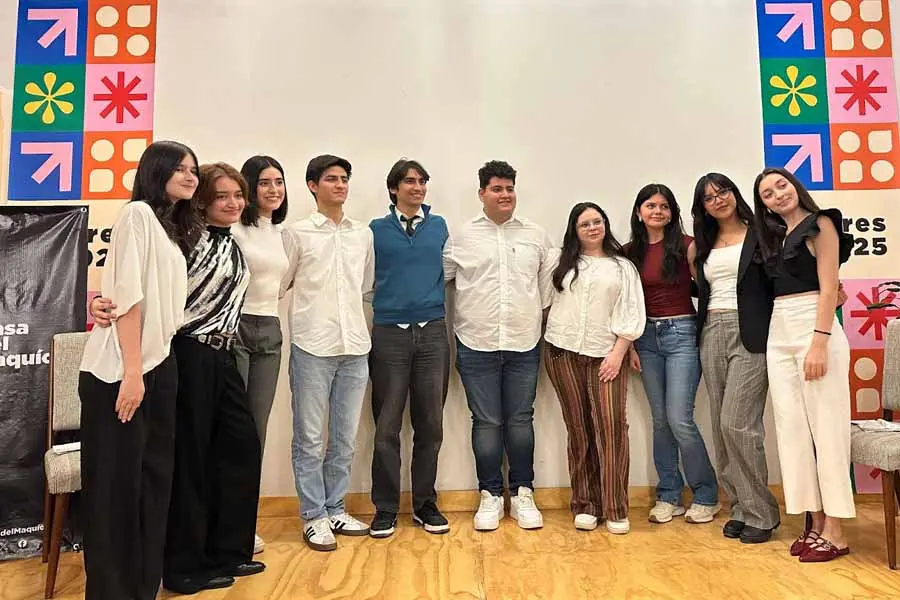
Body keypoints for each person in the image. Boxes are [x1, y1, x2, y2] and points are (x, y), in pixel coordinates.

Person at [90, 162, 266, 593]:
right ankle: (185, 565)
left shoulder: (233, 243)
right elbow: (136, 283)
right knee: (190, 459)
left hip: (223, 354)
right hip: (187, 351)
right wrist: (100, 304)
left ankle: (227, 549)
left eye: (238, 195)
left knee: (238, 450)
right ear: (202, 199)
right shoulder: (183, 237)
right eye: (222, 195)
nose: (234, 203)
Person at [78, 140, 198, 600]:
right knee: (116, 494)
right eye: (181, 169)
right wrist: (132, 374)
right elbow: (128, 297)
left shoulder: (168, 227)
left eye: (193, 170)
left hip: (160, 365)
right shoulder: (136, 216)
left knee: (153, 487)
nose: (190, 176)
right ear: (157, 171)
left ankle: (142, 588)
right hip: (120, 372)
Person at [443, 160, 553, 531]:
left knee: (521, 420)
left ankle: (524, 492)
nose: (504, 195)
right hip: (476, 343)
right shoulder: (459, 236)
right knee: (486, 422)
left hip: (524, 343)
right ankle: (489, 494)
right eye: (496, 189)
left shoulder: (536, 235)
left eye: (509, 188)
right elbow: (442, 283)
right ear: (482, 194)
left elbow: (546, 291)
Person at [753, 166, 855, 562]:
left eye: (782, 185)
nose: (778, 194)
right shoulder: (773, 238)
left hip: (815, 329)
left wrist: (819, 343)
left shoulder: (821, 224)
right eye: (767, 193)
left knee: (826, 429)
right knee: (791, 428)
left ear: (795, 187)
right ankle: (814, 520)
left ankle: (837, 530)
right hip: (779, 332)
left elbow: (829, 288)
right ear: (763, 205)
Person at [282, 154, 374, 551]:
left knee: (344, 437)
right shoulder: (297, 233)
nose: (340, 185)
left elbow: (365, 284)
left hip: (355, 345)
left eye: (344, 179)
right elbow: (282, 283)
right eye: (331, 179)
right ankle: (313, 515)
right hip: (312, 345)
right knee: (309, 436)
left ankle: (336, 507)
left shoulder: (362, 234)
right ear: (312, 186)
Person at [690, 173, 781, 543]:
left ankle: (762, 511)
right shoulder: (703, 244)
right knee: (720, 424)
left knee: (738, 423)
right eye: (708, 197)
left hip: (752, 331)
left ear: (734, 193)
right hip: (712, 330)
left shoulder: (763, 231)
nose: (718, 200)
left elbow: (786, 276)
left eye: (722, 191)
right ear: (703, 207)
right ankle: (741, 507)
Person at [543, 202, 645, 534]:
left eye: (597, 221)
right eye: (584, 223)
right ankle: (585, 504)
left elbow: (631, 312)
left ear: (605, 225)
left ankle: (615, 507)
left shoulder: (622, 267)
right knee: (579, 428)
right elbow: (544, 303)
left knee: (612, 428)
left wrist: (619, 351)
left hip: (607, 355)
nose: (592, 228)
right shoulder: (559, 262)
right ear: (574, 229)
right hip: (562, 352)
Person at [625, 184, 719, 525]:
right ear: (639, 212)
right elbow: (625, 304)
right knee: (661, 420)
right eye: (650, 205)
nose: (657, 211)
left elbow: (706, 289)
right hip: (646, 337)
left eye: (664, 206)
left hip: (682, 333)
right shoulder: (629, 252)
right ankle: (668, 494)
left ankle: (707, 494)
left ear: (672, 212)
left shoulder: (686, 246)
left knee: (680, 418)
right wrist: (632, 344)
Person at [367, 159, 450, 538]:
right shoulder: (375, 231)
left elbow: (446, 273)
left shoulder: (439, 227)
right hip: (389, 335)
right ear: (394, 189)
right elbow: (367, 281)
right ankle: (385, 508)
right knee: (386, 426)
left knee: (430, 424)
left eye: (422, 181)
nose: (417, 187)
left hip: (433, 333)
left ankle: (424, 504)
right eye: (409, 182)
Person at [232, 155, 290, 554]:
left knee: (257, 430)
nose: (273, 190)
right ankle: (226, 524)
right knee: (233, 430)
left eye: (279, 182)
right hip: (235, 327)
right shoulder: (234, 229)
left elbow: (282, 284)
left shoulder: (282, 233)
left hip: (269, 329)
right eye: (264, 182)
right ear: (249, 188)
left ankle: (245, 523)